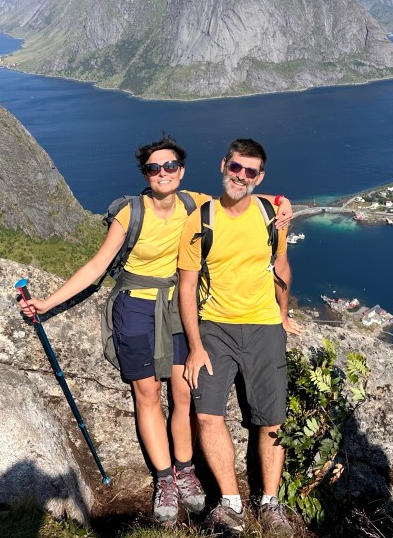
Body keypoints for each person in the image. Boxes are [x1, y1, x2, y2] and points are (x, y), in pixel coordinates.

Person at [17, 134, 292, 527]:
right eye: (154, 168)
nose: (163, 173)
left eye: (170, 166)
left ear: (181, 170)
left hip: (177, 308)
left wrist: (283, 202)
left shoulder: (194, 204)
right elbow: (97, 266)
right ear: (145, 174)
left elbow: (245, 196)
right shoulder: (131, 213)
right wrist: (48, 302)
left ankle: (185, 470)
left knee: (184, 393)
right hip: (136, 306)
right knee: (147, 393)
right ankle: (165, 479)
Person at [178, 138, 304, 538]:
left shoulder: (270, 215)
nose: (241, 176)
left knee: (272, 420)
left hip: (264, 325)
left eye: (250, 171)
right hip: (215, 327)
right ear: (223, 165)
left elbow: (280, 265)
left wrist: (282, 314)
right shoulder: (201, 220)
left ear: (260, 177)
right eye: (236, 167)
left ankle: (270, 503)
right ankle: (231, 503)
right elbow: (187, 286)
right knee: (207, 414)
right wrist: (195, 346)